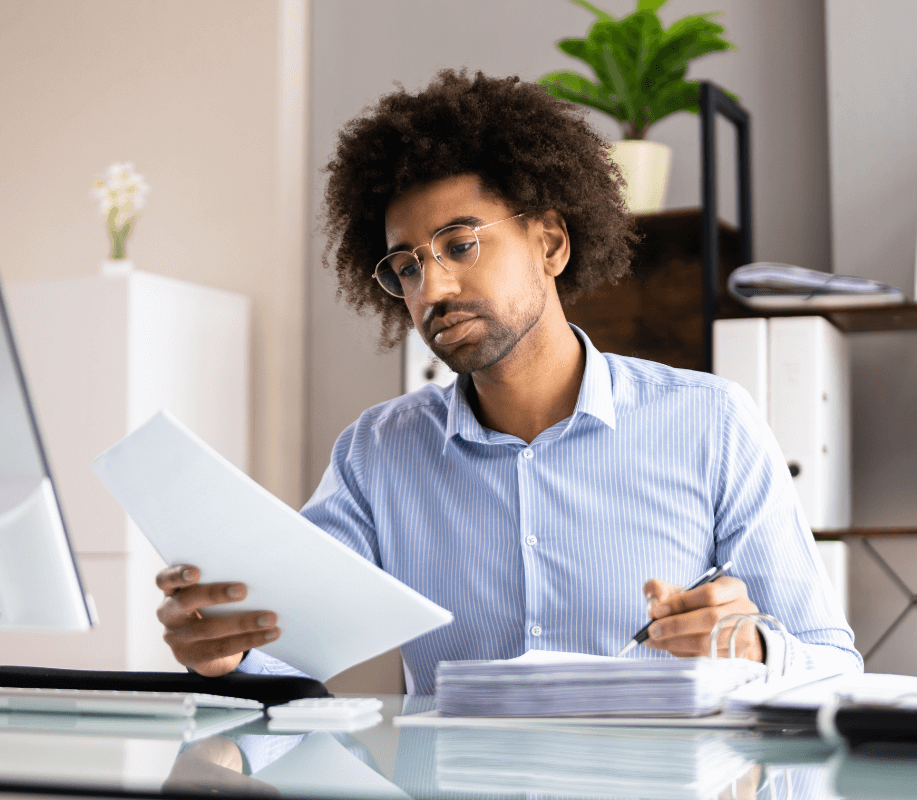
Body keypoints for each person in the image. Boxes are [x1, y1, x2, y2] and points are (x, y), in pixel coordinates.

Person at [155, 70, 861, 694]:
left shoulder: (712, 424)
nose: (431, 286)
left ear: (550, 242)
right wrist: (227, 652)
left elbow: (833, 664)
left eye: (460, 245)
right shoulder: (377, 453)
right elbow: (288, 643)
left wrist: (752, 645)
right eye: (406, 266)